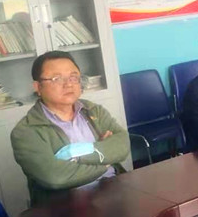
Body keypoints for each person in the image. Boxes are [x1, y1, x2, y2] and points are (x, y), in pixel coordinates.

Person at [10, 51, 129, 207]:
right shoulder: (25, 131)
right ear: (38, 87)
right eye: (57, 79)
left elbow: (123, 144)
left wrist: (74, 155)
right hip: (64, 206)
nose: (68, 84)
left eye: (73, 77)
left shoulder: (94, 110)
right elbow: (55, 177)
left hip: (112, 188)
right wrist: (106, 160)